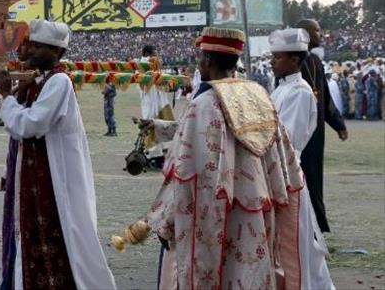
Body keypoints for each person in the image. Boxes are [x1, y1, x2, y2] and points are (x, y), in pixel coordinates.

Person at [141, 27, 307, 288]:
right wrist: (158, 126)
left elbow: (185, 170)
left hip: (214, 209)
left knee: (218, 272)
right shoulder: (258, 94)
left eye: (200, 57)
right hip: (255, 203)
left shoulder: (204, 102)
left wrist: (166, 219)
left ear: (207, 61)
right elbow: (283, 158)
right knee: (248, 271)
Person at [0, 20, 116, 290]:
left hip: (54, 182)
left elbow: (29, 125)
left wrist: (6, 96)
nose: (31, 50)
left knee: (61, 236)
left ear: (57, 52)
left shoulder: (58, 82)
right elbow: (17, 130)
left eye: (39, 47)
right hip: (36, 180)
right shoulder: (39, 81)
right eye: (32, 44)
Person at [268, 28, 335, 289]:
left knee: (297, 248)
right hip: (276, 175)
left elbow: (287, 143)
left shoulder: (300, 92)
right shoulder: (280, 90)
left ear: (295, 60)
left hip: (286, 177)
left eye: (277, 57)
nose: (272, 62)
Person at [296, 19, 348, 233]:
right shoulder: (293, 61)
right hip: (300, 131)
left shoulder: (315, 61)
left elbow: (324, 98)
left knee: (315, 178)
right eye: (317, 30)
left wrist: (338, 124)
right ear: (306, 34)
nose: (321, 33)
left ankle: (317, 226)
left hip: (316, 133)